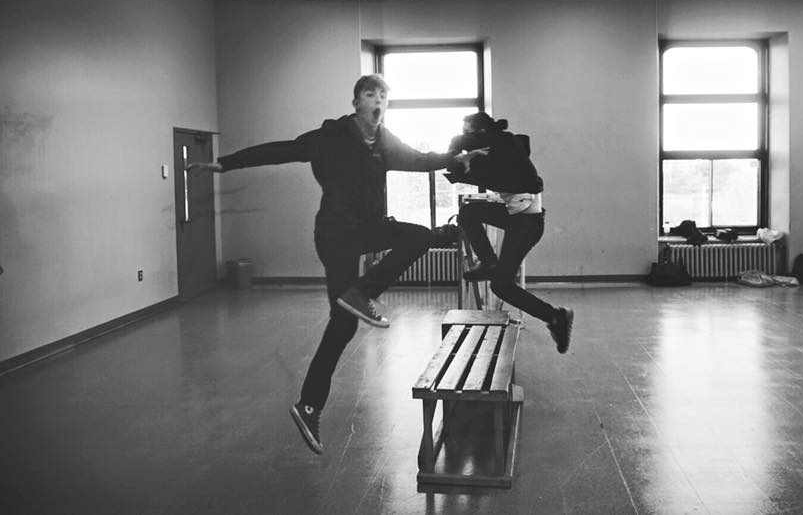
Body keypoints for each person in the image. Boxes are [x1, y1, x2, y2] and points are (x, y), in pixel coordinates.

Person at [187, 74, 486, 455]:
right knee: (343, 326)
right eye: (370, 94)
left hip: (370, 229)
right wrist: (224, 164)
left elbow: (419, 160)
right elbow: (281, 150)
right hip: (335, 235)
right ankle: (309, 405)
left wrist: (455, 159)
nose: (378, 100)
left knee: (419, 235)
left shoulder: (385, 142)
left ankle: (358, 295)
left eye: (383, 95)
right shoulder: (330, 137)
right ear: (357, 103)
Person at [445, 112, 574, 353]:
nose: (464, 137)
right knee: (468, 213)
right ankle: (488, 262)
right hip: (517, 218)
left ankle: (557, 317)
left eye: (467, 131)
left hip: (527, 224)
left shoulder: (505, 143)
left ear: (481, 133)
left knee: (501, 286)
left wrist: (460, 146)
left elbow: (460, 147)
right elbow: (465, 166)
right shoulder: (498, 152)